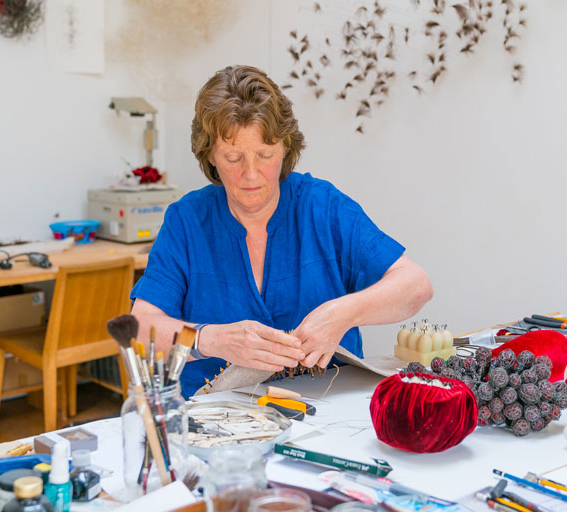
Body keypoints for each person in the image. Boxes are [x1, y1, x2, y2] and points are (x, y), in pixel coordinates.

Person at [130, 65, 433, 397]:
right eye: (233, 157)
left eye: (265, 155)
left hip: (329, 411)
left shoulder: (322, 207)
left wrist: (342, 313)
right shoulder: (187, 221)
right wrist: (208, 339)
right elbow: (141, 328)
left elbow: (415, 287)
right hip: (220, 418)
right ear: (210, 156)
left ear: (286, 148)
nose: (251, 175)